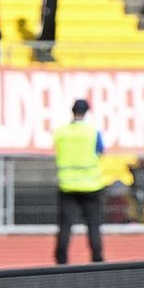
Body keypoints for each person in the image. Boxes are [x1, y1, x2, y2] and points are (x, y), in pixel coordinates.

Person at [53, 99, 108, 264]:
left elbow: (57, 149)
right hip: (91, 185)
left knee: (65, 225)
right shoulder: (92, 131)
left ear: (72, 111)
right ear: (86, 112)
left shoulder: (61, 132)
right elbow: (101, 151)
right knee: (94, 225)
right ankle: (97, 259)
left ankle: (61, 260)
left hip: (67, 185)